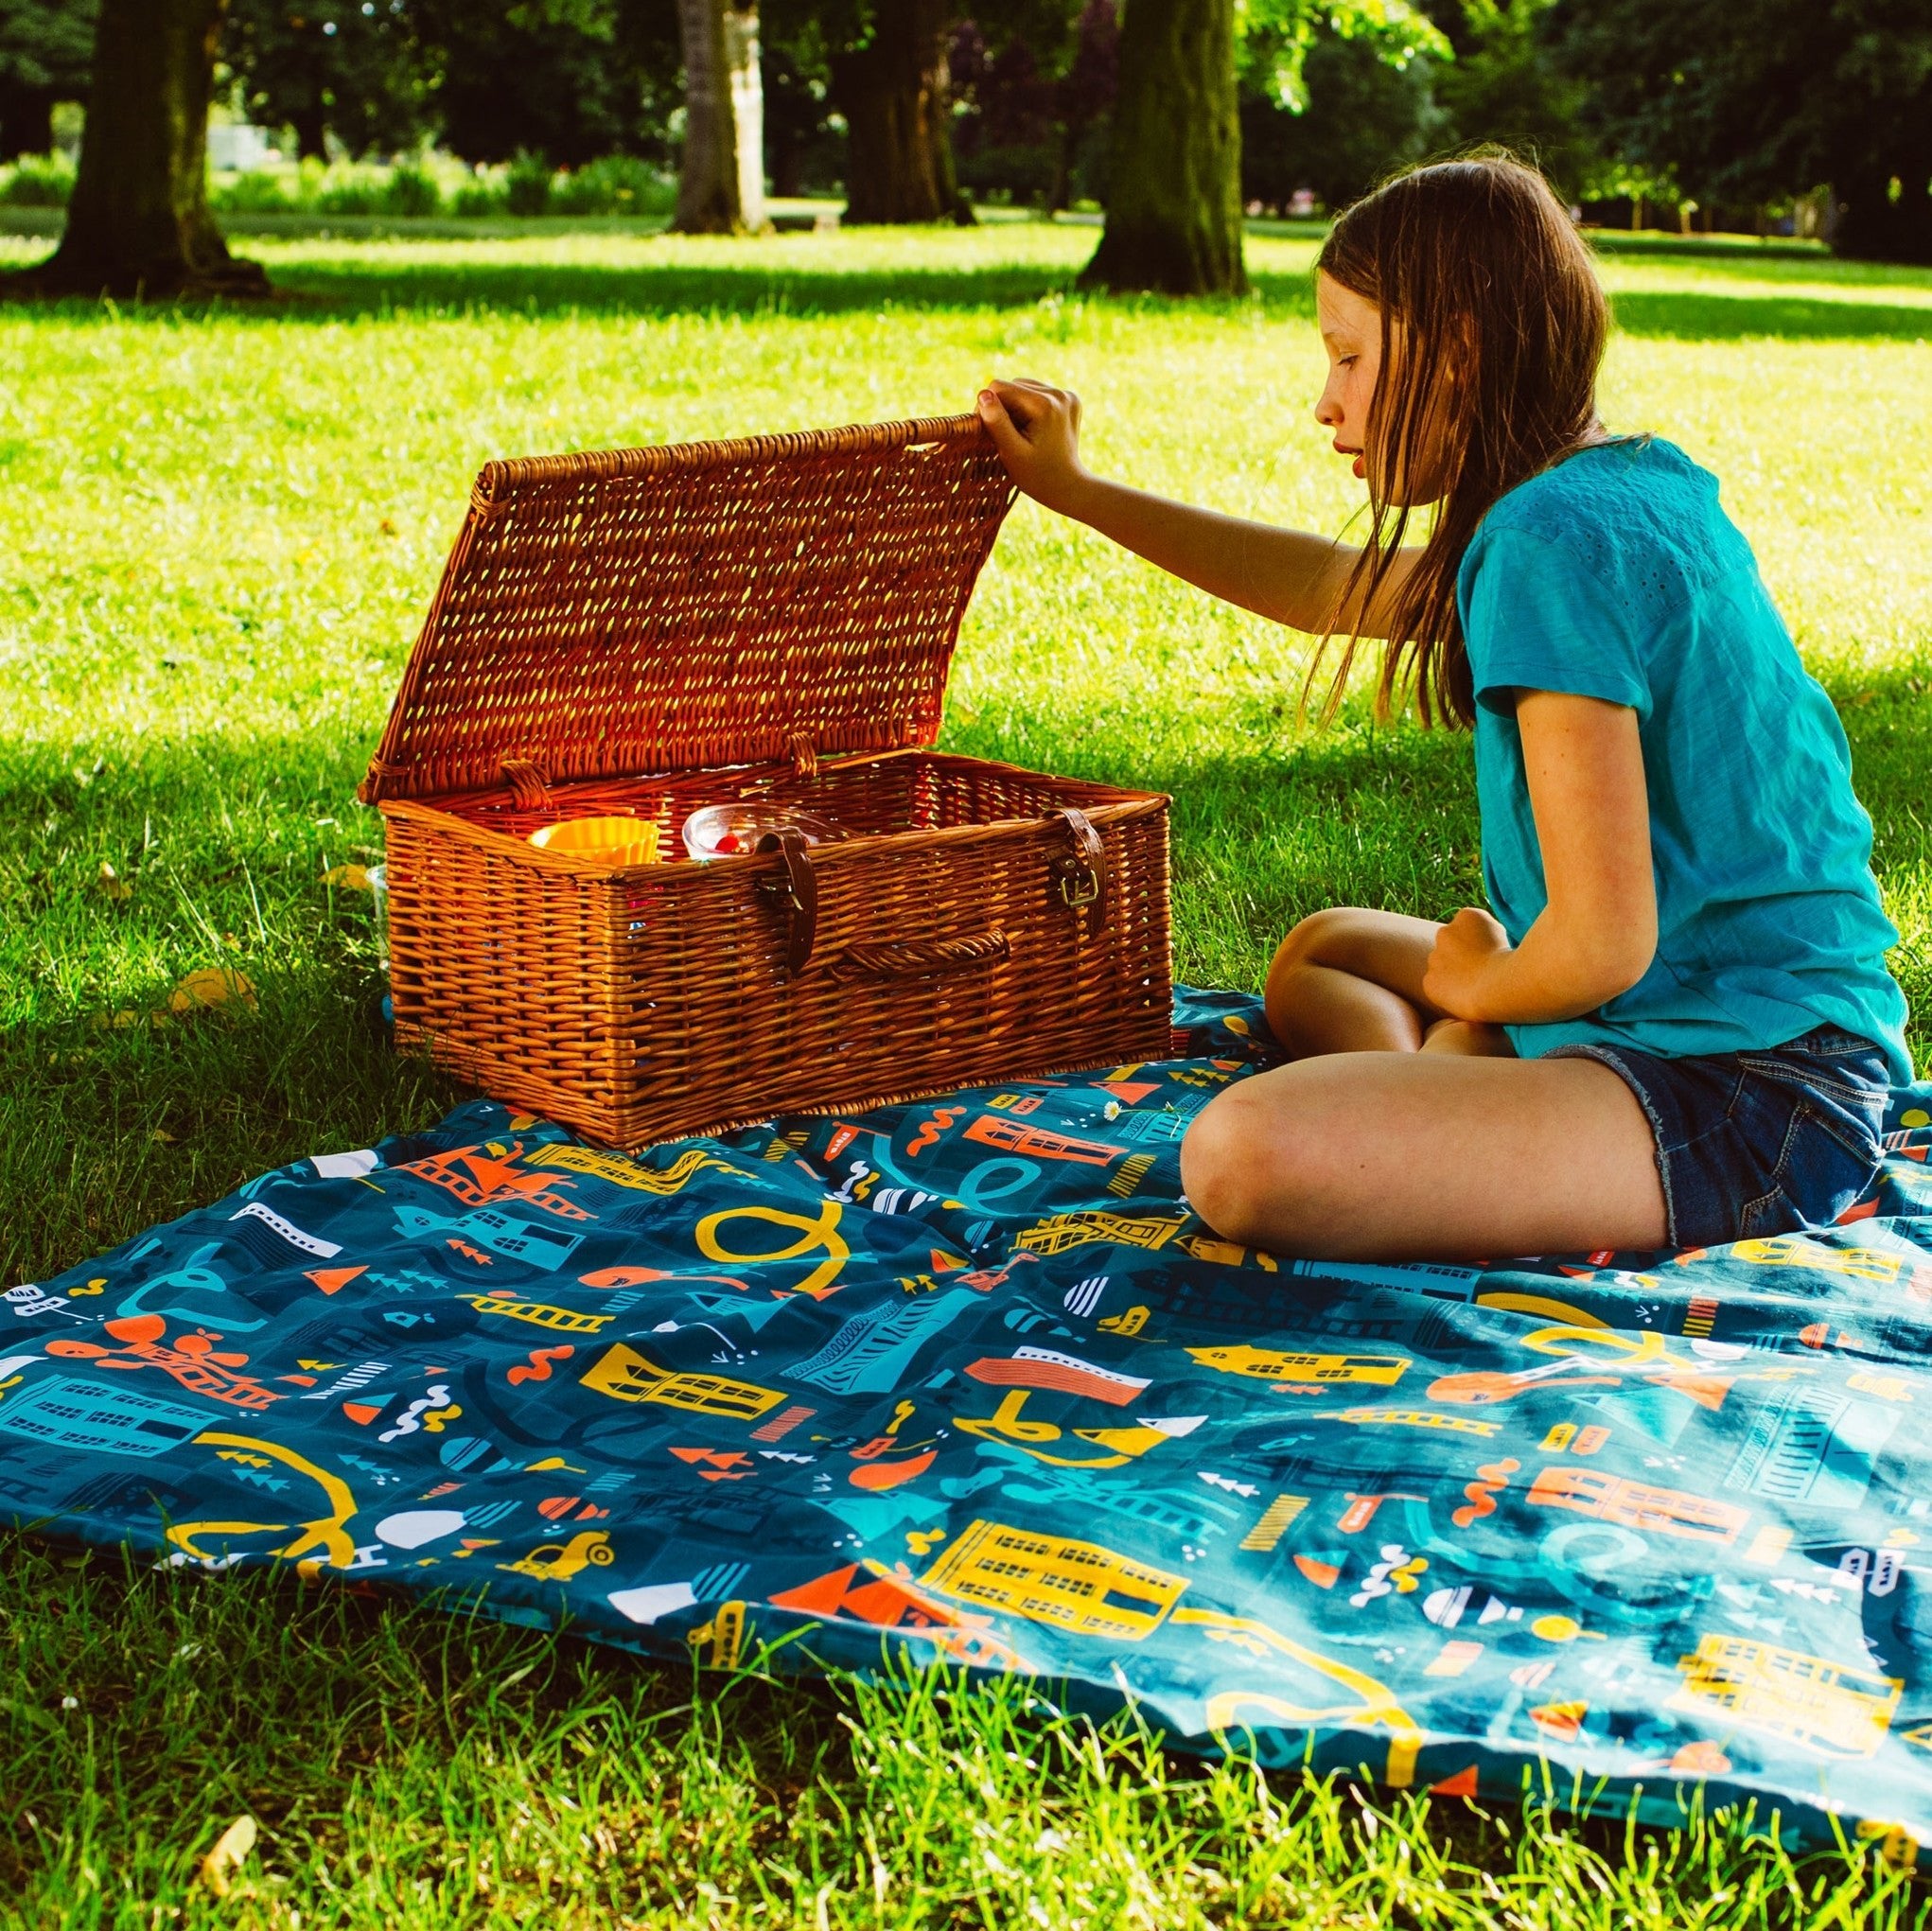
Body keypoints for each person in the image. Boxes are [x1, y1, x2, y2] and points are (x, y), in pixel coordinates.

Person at [975, 154, 1908, 1263]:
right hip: (1713, 1023)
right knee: (1321, 952)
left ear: (1457, 349)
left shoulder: (1547, 543)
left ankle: (1443, 1079)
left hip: (1745, 1093)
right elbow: (1327, 587)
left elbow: (1604, 940)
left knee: (1238, 1155)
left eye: (1349, 356)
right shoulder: (1609, 490)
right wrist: (1076, 491)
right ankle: (1440, 1079)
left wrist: (1489, 984)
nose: (1324, 401)